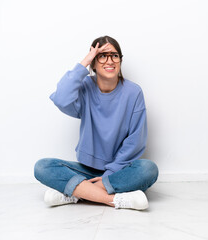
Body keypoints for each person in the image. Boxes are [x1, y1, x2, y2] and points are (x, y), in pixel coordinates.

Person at [34, 36, 158, 211]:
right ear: (93, 62)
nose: (109, 61)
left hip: (119, 170)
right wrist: (84, 61)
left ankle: (75, 193)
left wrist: (108, 176)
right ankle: (115, 199)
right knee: (42, 167)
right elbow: (61, 99)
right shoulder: (85, 87)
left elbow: (135, 141)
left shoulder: (133, 92)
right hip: (87, 170)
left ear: (120, 60)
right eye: (102, 55)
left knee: (148, 169)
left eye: (114, 55)